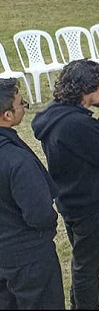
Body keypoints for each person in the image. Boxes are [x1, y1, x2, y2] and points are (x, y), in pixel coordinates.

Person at [31, 60, 99, 309]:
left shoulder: (57, 113)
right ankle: (85, 303)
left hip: (69, 199)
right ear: (87, 89)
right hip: (88, 205)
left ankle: (84, 297)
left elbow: (83, 144)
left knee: (83, 258)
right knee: (87, 264)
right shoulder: (76, 123)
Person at [0, 78, 64, 309]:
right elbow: (40, 215)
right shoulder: (17, 161)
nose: (24, 108)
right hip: (28, 256)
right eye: (21, 104)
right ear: (7, 115)